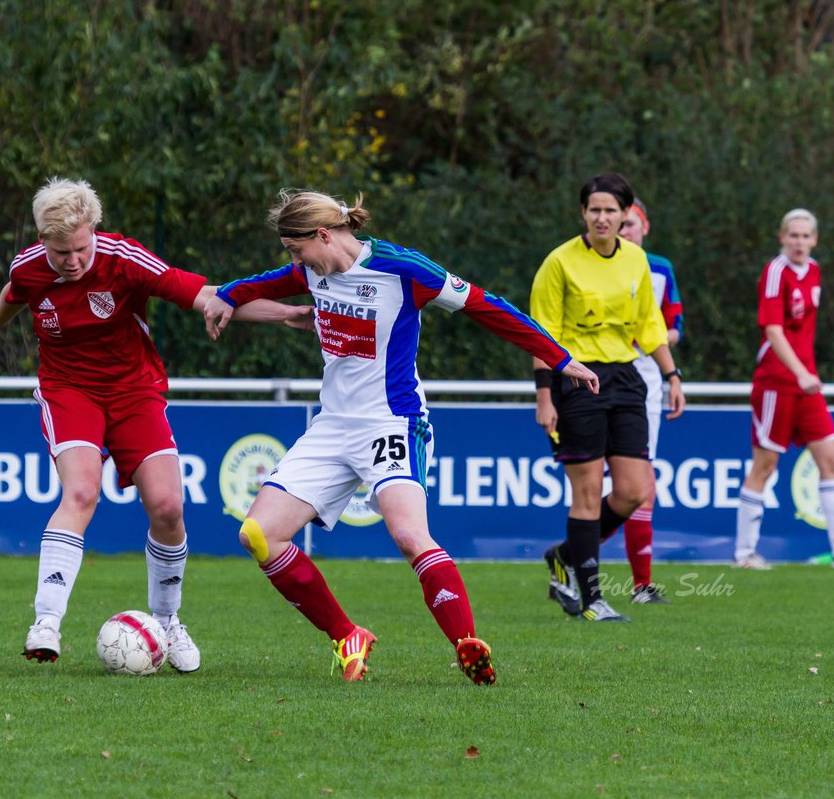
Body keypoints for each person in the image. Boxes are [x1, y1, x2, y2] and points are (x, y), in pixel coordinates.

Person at [203, 189, 600, 685]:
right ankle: (347, 636)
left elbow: (488, 307)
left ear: (323, 234)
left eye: (295, 248)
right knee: (258, 533)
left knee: (410, 535)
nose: (293, 260)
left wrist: (561, 359)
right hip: (331, 427)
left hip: (392, 422)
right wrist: (224, 295)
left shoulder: (403, 268)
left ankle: (466, 644)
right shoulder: (312, 270)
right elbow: (254, 286)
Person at [0, 177, 310, 670]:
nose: (73, 261)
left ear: (94, 231)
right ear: (43, 240)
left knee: (169, 506)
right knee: (81, 493)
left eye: (82, 248)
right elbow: (15, 291)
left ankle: (168, 623)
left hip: (134, 391)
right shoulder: (29, 266)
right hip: (68, 392)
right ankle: (46, 622)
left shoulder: (124, 259)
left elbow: (211, 295)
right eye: (61, 251)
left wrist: (285, 314)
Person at [531, 173, 684, 623]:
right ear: (583, 213)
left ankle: (564, 555)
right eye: (594, 209)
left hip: (626, 377)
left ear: (626, 215)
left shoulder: (636, 260)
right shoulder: (559, 262)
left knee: (636, 490)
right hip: (575, 379)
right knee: (588, 492)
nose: (602, 217)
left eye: (610, 210)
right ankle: (593, 599)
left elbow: (649, 325)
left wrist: (671, 374)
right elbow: (541, 336)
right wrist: (545, 397)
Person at [732, 209, 834, 570]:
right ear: (782, 237)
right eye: (793, 235)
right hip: (776, 383)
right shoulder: (775, 273)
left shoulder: (813, 270)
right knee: (765, 466)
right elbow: (773, 331)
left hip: (806, 384)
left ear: (814, 239)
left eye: (805, 236)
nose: (799, 242)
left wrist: (805, 375)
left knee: (830, 459)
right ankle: (744, 554)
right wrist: (799, 373)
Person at [613, 198, 684, 604]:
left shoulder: (659, 268)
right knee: (596, 484)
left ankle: (641, 583)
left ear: (645, 227)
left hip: (645, 377)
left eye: (630, 224)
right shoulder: (592, 265)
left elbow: (674, 325)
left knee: (641, 482)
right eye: (620, 225)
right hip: (601, 373)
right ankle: (574, 562)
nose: (624, 231)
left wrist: (656, 344)